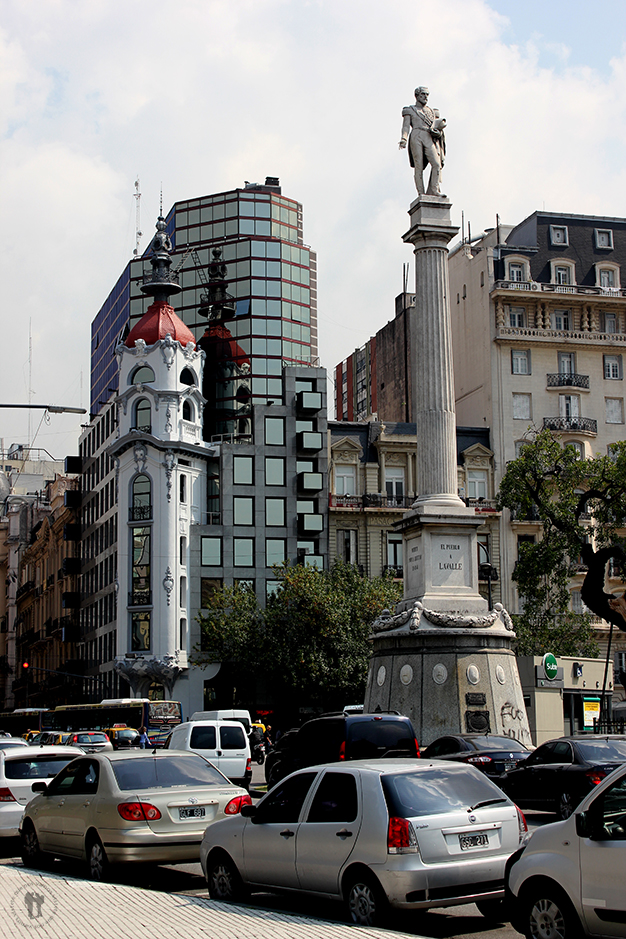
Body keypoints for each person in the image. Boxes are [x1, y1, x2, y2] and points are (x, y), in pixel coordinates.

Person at [399, 86, 446, 196]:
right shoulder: (409, 110)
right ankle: (421, 193)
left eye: (427, 95)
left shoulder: (431, 111)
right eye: (423, 94)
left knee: (436, 163)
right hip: (416, 135)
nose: (425, 97)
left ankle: (434, 190)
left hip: (428, 136)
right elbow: (405, 126)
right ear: (417, 96)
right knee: (418, 166)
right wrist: (404, 138)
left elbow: (435, 126)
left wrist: (438, 133)